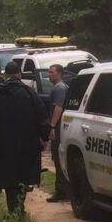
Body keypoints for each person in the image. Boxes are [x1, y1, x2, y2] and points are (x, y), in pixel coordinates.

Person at [0, 61, 49, 217]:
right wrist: (45, 137)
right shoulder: (30, 93)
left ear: (5, 75)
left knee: (7, 174)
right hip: (26, 141)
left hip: (0, 141)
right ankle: (18, 209)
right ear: (19, 74)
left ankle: (14, 209)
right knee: (23, 173)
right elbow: (42, 116)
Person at [44, 63, 70, 202]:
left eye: (52, 72)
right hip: (60, 127)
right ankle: (62, 190)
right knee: (57, 158)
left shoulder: (59, 88)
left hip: (59, 128)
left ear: (59, 73)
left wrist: (52, 126)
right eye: (49, 72)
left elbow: (58, 108)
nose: (49, 74)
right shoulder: (61, 87)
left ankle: (62, 191)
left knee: (58, 158)